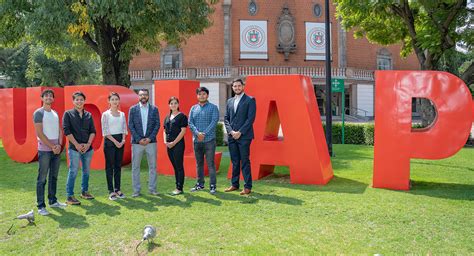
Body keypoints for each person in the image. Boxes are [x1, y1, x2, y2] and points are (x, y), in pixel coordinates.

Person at [33, 89, 67, 215]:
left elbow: (59, 131)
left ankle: (53, 201)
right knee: (42, 178)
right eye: (46, 95)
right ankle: (41, 206)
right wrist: (52, 146)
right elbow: (40, 134)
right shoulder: (38, 113)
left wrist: (58, 145)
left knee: (54, 176)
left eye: (50, 96)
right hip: (45, 150)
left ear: (53, 99)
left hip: (56, 149)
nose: (48, 97)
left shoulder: (55, 113)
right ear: (42, 98)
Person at [224, 79, 257, 195]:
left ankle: (247, 187)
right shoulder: (229, 101)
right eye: (234, 86)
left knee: (245, 161)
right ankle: (234, 184)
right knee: (235, 161)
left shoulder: (250, 100)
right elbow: (226, 118)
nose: (237, 88)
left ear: (243, 86)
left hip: (244, 136)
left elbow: (250, 119)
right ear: (232, 87)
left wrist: (240, 132)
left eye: (239, 86)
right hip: (232, 136)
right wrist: (231, 132)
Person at [63, 91, 96, 205]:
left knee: (86, 171)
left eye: (81, 99)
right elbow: (66, 131)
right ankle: (69, 196)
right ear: (73, 101)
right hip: (74, 148)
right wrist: (77, 144)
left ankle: (84, 192)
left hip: (88, 148)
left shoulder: (89, 115)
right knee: (73, 171)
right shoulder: (68, 114)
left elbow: (93, 131)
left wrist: (88, 144)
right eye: (77, 99)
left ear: (84, 101)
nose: (79, 101)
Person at [128, 88, 160, 197]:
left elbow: (157, 125)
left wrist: (150, 138)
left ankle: (152, 189)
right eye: (141, 95)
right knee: (135, 167)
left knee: (153, 167)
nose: (143, 97)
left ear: (148, 96)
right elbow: (130, 125)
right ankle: (136, 191)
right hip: (137, 143)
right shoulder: (133, 109)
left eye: (145, 95)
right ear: (138, 96)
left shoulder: (154, 109)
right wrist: (139, 139)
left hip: (151, 142)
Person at [188, 87, 219, 194]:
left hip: (209, 140)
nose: (202, 96)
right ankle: (200, 185)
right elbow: (190, 123)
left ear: (207, 95)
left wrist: (204, 134)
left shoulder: (213, 107)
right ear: (197, 96)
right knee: (199, 164)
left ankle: (212, 186)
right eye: (200, 94)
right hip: (197, 141)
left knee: (210, 164)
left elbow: (214, 121)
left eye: (204, 94)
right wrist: (197, 133)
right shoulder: (193, 108)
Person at [101, 92, 128, 201]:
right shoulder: (105, 114)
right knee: (109, 167)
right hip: (109, 142)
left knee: (118, 166)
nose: (115, 101)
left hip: (120, 142)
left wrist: (122, 140)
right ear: (109, 101)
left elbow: (124, 129)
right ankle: (111, 191)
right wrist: (115, 142)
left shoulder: (122, 114)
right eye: (112, 99)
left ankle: (118, 189)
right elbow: (105, 131)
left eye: (116, 99)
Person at [163, 97, 188, 196]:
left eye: (175, 103)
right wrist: (165, 141)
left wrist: (174, 142)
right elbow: (164, 130)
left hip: (178, 145)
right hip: (169, 145)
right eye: (171, 103)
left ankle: (179, 188)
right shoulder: (167, 117)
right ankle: (177, 186)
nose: (173, 105)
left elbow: (183, 131)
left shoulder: (182, 116)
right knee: (175, 166)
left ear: (178, 104)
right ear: (169, 105)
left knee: (179, 166)